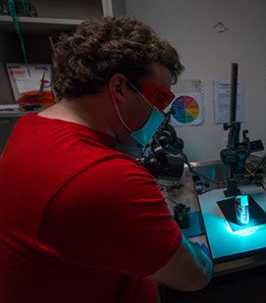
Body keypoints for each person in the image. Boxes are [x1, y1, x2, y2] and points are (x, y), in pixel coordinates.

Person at [0, 17, 213, 302]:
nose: (160, 113)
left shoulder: (28, 129)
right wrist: (203, 253)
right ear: (119, 88)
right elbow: (194, 275)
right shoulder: (105, 175)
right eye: (160, 98)